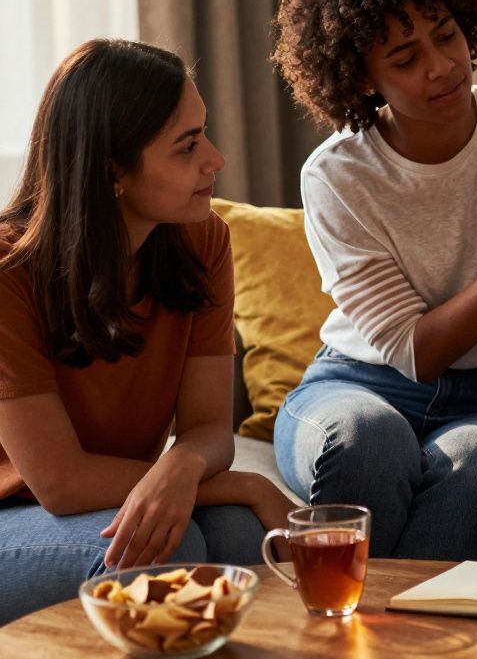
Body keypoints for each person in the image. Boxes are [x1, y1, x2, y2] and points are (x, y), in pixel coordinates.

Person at [269, 0, 477, 561]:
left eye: (446, 34)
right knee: (368, 438)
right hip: (355, 386)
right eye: (405, 59)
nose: (441, 64)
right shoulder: (336, 175)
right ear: (361, 81)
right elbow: (416, 351)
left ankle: (398, 643)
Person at [0, 39, 295, 625]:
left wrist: (184, 469)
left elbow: (209, 427)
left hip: (112, 496)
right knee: (173, 550)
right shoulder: (10, 274)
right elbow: (59, 483)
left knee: (241, 535)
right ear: (113, 170)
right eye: (187, 147)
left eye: (203, 132)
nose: (216, 158)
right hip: (16, 516)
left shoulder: (202, 240)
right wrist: (248, 485)